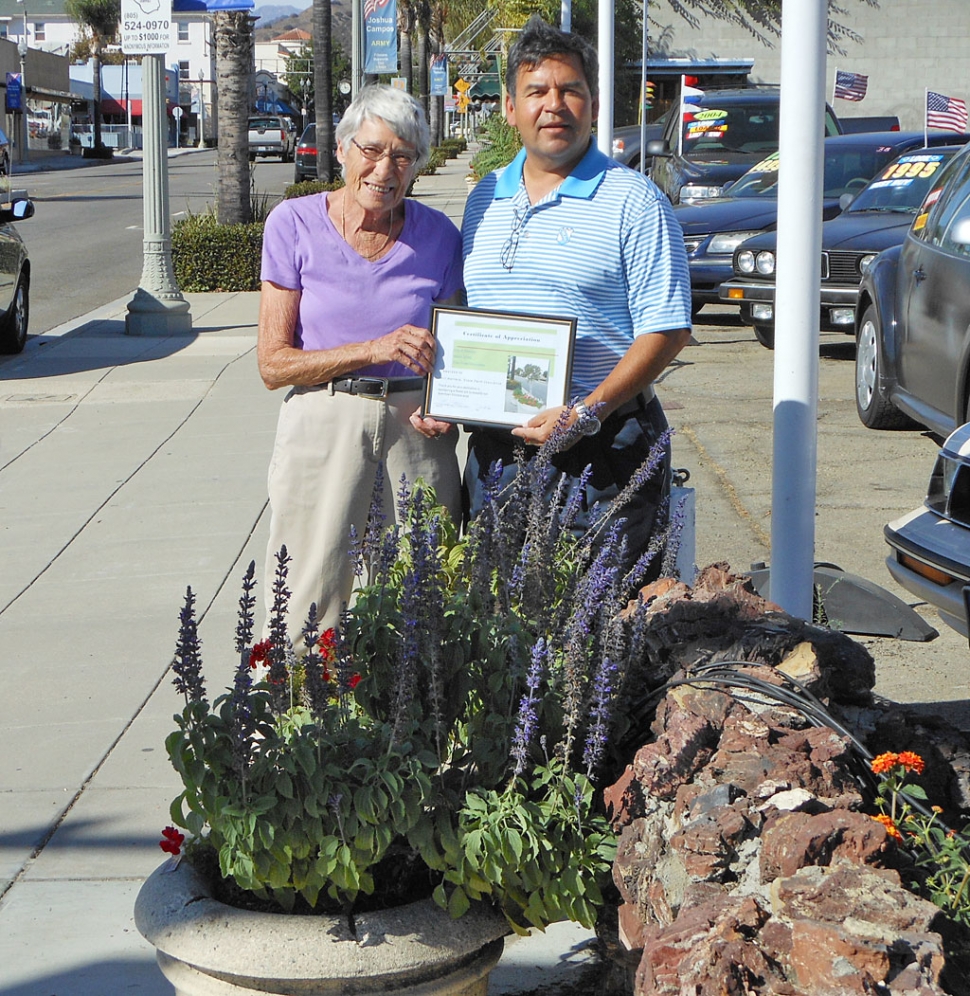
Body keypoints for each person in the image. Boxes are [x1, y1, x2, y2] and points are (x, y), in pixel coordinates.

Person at [460, 17, 692, 580]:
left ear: (591, 104)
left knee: (604, 631)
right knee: (498, 627)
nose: (554, 105)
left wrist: (589, 412)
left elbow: (667, 327)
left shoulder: (633, 202)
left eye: (571, 91)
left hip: (606, 448)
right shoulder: (484, 199)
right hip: (500, 451)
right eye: (537, 91)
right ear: (510, 107)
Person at [258, 84, 462, 646]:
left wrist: (452, 405)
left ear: (417, 165)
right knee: (308, 589)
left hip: (414, 430)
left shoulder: (440, 237)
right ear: (344, 149)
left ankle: (410, 724)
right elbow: (274, 365)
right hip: (323, 420)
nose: (384, 169)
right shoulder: (293, 224)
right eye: (371, 150)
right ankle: (297, 718)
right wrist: (373, 348)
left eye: (402, 156)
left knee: (419, 592)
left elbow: (461, 345)